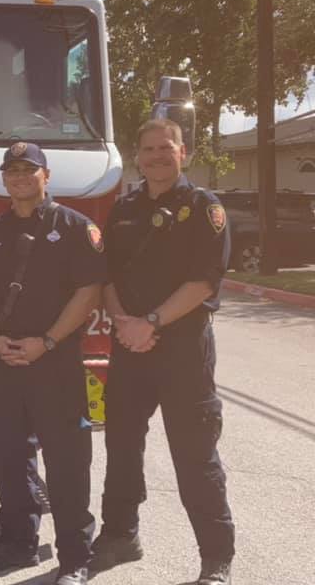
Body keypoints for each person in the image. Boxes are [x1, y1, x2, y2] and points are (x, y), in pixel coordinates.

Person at [90, 119, 234, 585]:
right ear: (138, 156)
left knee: (195, 455)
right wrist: (124, 324)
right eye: (148, 149)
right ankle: (120, 536)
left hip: (183, 350)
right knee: (121, 446)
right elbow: (107, 276)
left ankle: (216, 559)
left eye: (165, 147)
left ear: (182, 152)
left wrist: (149, 323)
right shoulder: (124, 208)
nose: (156, 156)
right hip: (130, 347)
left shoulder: (204, 207)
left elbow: (204, 281)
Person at [0, 142, 104, 585]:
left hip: (55, 361)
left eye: (30, 169)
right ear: (4, 178)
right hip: (6, 359)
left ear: (47, 176)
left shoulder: (76, 227)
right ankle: (17, 543)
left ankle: (75, 556)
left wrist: (47, 341)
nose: (20, 177)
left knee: (67, 460)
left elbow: (89, 292)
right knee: (9, 456)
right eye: (12, 170)